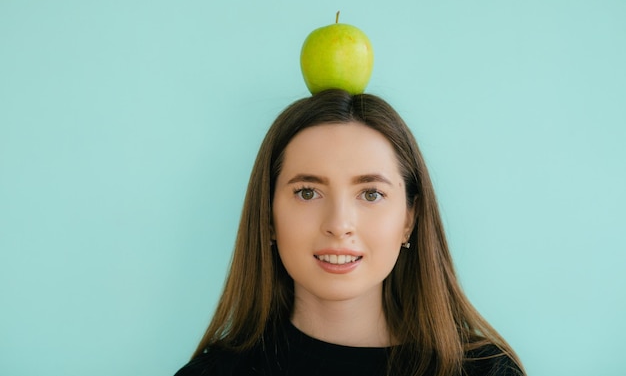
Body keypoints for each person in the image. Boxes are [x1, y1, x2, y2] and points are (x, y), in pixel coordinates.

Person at [175, 89, 524, 376]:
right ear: (267, 217)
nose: (339, 224)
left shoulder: (486, 371)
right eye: (307, 192)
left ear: (409, 219)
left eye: (371, 194)